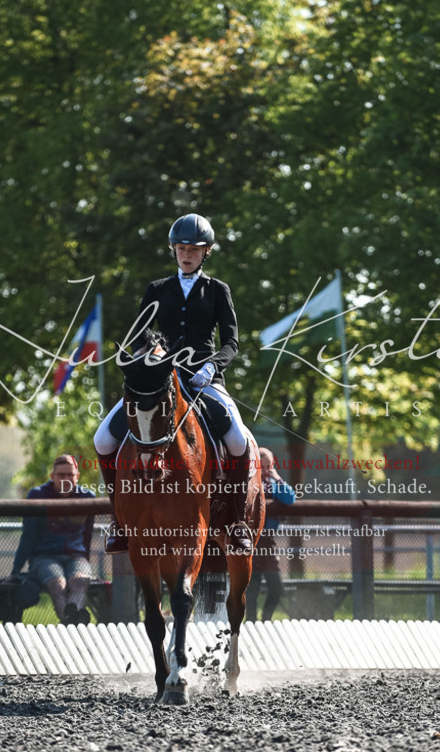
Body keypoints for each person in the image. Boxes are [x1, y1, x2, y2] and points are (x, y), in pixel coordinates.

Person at [94, 212, 254, 554]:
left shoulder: (217, 291)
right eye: (181, 248)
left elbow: (231, 343)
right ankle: (120, 520)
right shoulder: (157, 289)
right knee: (104, 439)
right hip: (157, 381)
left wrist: (212, 367)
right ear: (174, 250)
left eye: (194, 250)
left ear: (206, 252)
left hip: (202, 379)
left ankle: (238, 519)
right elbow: (138, 337)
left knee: (239, 440)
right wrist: (151, 356)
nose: (187, 254)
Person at [11, 454, 96, 624]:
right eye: (61, 475)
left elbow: (87, 535)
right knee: (58, 584)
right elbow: (28, 536)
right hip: (44, 557)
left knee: (80, 582)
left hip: (76, 556)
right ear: (52, 476)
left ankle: (68, 621)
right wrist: (16, 570)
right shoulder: (38, 495)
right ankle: (74, 620)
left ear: (77, 476)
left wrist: (85, 560)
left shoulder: (87, 497)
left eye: (70, 475)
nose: (66, 479)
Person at [246, 447, 295, 622]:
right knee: (252, 586)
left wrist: (278, 479)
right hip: (251, 541)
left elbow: (290, 498)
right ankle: (251, 622)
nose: (266, 470)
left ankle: (266, 619)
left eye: (269, 466)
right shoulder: (249, 482)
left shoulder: (274, 484)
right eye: (262, 466)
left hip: (268, 541)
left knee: (276, 587)